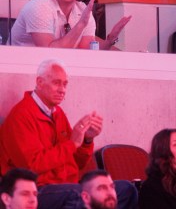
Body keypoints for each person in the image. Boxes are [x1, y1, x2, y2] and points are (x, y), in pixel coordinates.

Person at [0, 60, 136, 209]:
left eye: (65, 84)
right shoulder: (21, 115)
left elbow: (77, 163)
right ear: (39, 82)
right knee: (79, 194)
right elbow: (32, 167)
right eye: (57, 83)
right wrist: (72, 144)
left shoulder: (58, 113)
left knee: (126, 189)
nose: (62, 90)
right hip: (37, 190)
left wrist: (87, 140)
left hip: (69, 185)